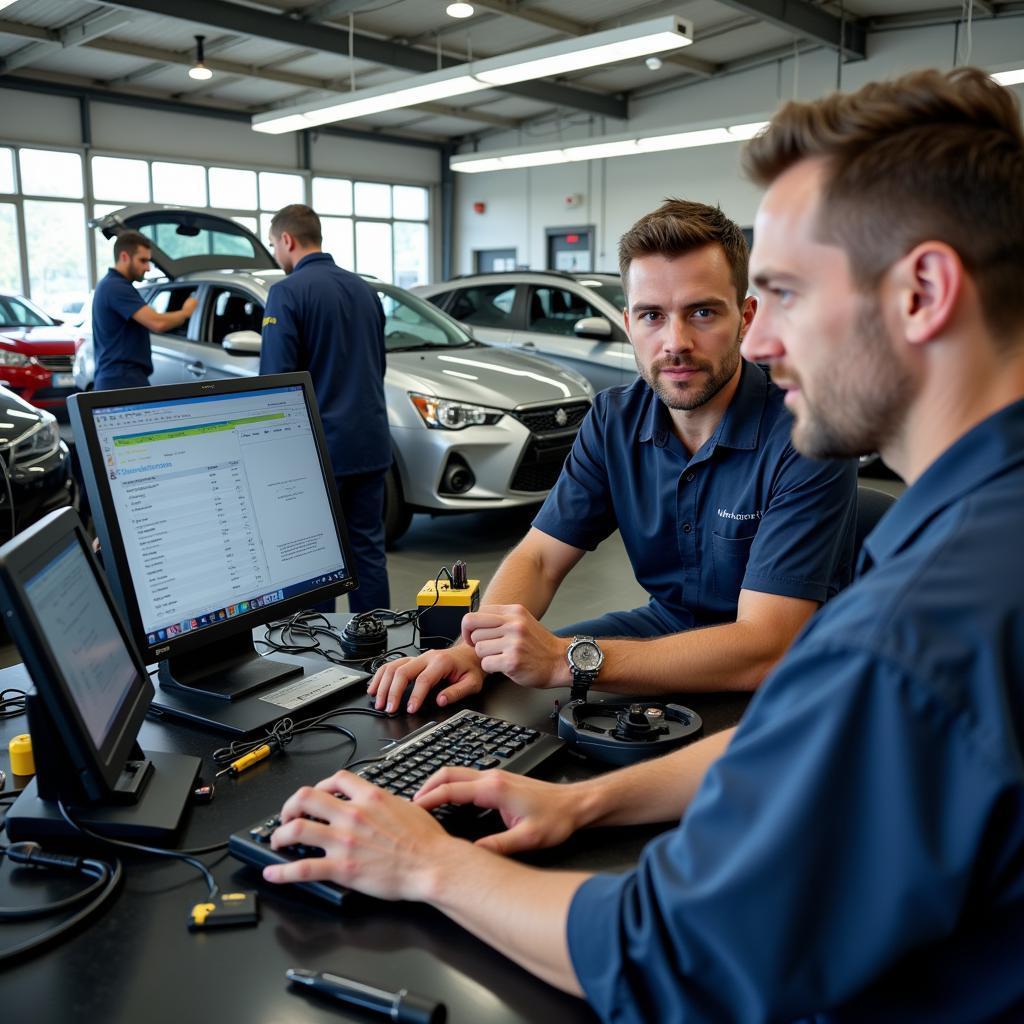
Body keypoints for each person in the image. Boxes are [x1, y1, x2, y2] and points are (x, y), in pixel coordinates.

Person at [264, 67, 1024, 1021]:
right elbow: (802, 748)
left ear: (921, 291)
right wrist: (582, 801)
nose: (766, 337)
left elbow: (675, 952)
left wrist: (430, 864)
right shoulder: (967, 531)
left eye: (781, 293)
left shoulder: (924, 629)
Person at [371, 200, 857, 714]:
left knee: (555, 673)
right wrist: (474, 650)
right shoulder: (614, 420)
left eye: (703, 312)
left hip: (795, 672)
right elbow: (539, 559)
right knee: (495, 687)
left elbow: (765, 646)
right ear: (629, 323)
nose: (676, 343)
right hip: (665, 628)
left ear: (746, 317)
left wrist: (567, 660)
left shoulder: (809, 435)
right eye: (652, 315)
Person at [259, 204, 391, 613]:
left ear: (287, 240)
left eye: (273, 245)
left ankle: (322, 662)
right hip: (370, 445)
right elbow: (378, 364)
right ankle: (375, 648)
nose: (276, 254)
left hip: (317, 453)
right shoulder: (365, 291)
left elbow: (274, 384)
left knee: (315, 558)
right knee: (367, 550)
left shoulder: (286, 293)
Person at [92, 230, 197, 391]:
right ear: (124, 257)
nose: (148, 268)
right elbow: (157, 323)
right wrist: (186, 312)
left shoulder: (112, 285)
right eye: (143, 261)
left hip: (121, 378)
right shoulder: (116, 287)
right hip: (121, 381)